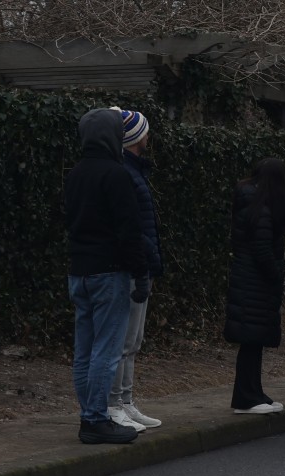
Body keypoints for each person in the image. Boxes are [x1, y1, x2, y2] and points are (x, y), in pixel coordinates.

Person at [65, 108, 149, 445]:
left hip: (79, 270)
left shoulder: (75, 173)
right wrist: (141, 273)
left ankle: (88, 414)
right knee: (107, 348)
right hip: (110, 271)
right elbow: (129, 230)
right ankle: (97, 418)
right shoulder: (116, 174)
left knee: (84, 349)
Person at [107, 110, 163, 432]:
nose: (148, 137)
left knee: (133, 340)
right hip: (133, 266)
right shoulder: (128, 173)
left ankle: (125, 401)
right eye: (144, 131)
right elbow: (133, 224)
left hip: (141, 263)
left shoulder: (134, 171)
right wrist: (147, 255)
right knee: (124, 341)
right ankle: (115, 403)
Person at [224, 158, 285, 414]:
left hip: (248, 279)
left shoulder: (250, 201)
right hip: (255, 282)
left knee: (254, 339)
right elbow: (262, 249)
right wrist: (276, 275)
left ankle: (254, 392)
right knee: (251, 339)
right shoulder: (261, 207)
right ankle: (246, 397)